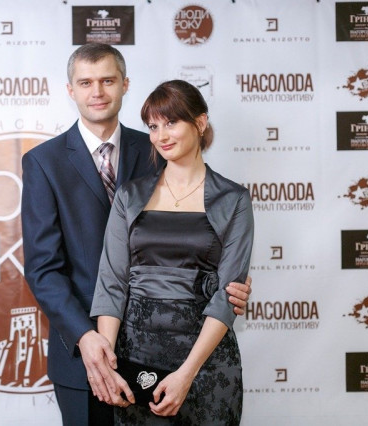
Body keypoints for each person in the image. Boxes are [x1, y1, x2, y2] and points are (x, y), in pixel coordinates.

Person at [21, 44, 252, 426]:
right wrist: (86, 336)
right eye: (86, 83)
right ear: (70, 90)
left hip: (167, 349)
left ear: (125, 84)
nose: (97, 92)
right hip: (84, 352)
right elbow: (43, 269)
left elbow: (196, 237)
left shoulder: (157, 147)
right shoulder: (43, 162)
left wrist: (227, 282)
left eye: (107, 80)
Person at [90, 79, 254, 425]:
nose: (161, 135)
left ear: (200, 122)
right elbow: (112, 282)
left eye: (171, 122)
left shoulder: (233, 200)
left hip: (205, 363)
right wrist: (109, 366)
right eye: (153, 126)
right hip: (137, 360)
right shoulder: (129, 196)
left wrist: (187, 373)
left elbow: (227, 296)